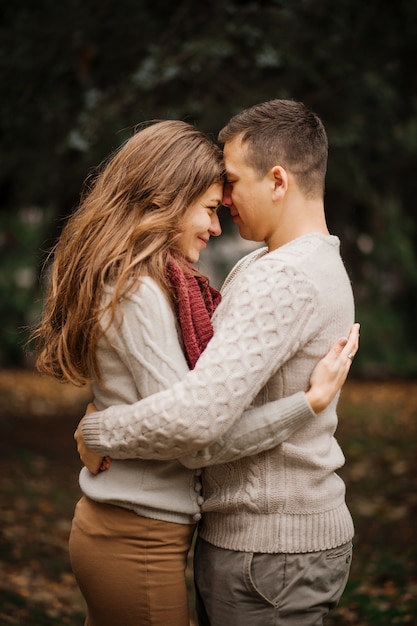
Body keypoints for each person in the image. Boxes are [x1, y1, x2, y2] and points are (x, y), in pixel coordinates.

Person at [33, 117, 357, 626]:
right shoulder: (198, 279)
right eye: (211, 204)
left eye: (228, 188)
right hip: (152, 531)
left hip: (250, 546)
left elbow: (195, 428)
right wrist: (305, 404)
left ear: (278, 180)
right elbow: (194, 421)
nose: (221, 214)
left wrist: (99, 429)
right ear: (165, 203)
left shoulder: (275, 276)